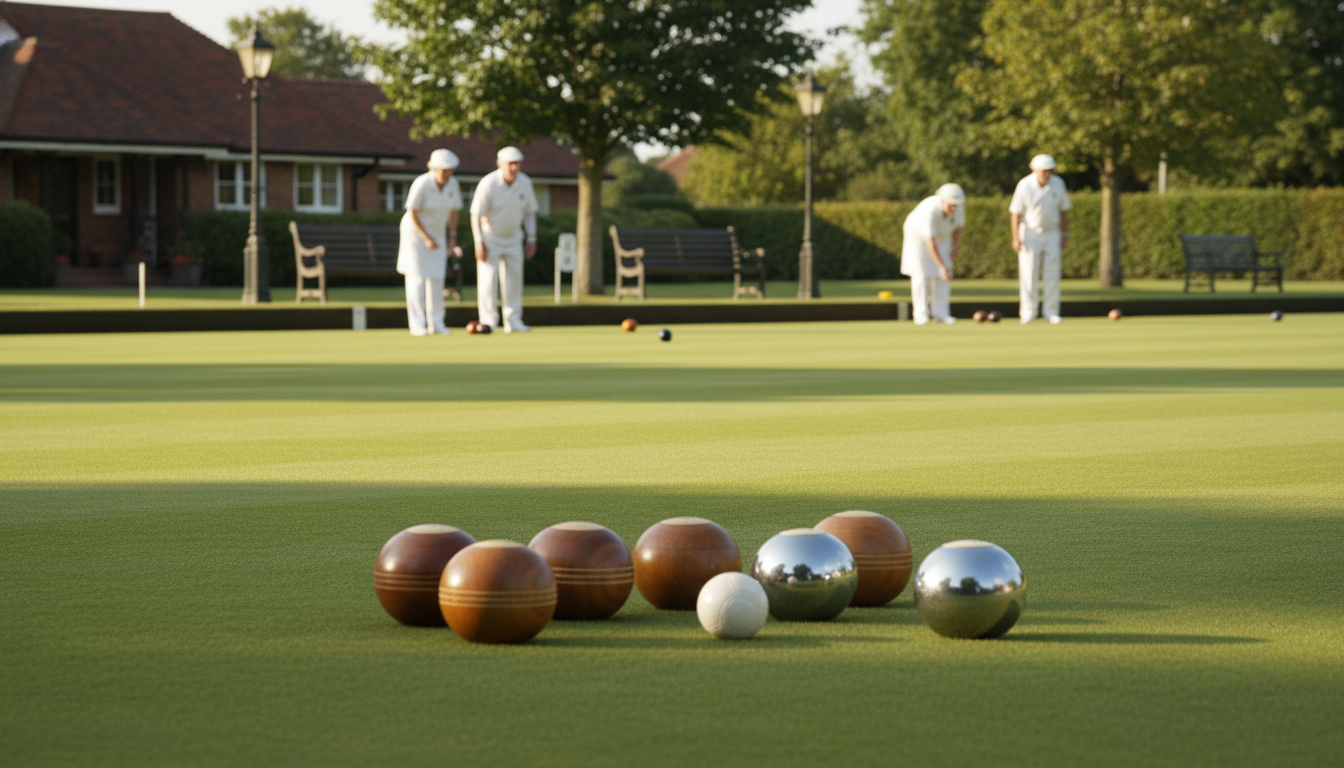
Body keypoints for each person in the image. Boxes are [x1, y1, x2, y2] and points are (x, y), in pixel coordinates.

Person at [471, 146, 539, 333]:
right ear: (500, 164)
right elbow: (475, 214)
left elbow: (530, 213)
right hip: (490, 239)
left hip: (514, 239)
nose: (514, 168)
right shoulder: (488, 183)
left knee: (514, 280)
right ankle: (488, 320)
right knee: (488, 280)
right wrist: (478, 241)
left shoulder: (525, 183)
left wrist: (532, 239)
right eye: (510, 164)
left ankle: (513, 320)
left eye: (517, 164)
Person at [396, 148, 462, 336]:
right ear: (433, 169)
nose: (447, 175)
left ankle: (437, 323)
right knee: (416, 277)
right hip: (415, 234)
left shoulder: (453, 184)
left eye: (450, 171)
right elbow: (412, 212)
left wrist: (452, 239)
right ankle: (417, 324)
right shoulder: (422, 183)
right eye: (443, 171)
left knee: (437, 277)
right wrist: (426, 238)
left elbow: (454, 211)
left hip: (438, 233)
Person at [1010, 154, 1072, 324]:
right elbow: (1016, 213)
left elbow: (1064, 210)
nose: (1047, 174)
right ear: (1034, 169)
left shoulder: (1058, 183)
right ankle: (1028, 312)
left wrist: (1065, 234)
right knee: (1028, 273)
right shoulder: (1024, 185)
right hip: (1030, 234)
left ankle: (1051, 311)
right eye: (1043, 170)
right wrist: (1016, 237)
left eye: (1049, 170)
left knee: (1052, 274)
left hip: (1052, 233)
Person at [901, 183, 966, 325]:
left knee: (945, 275)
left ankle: (941, 313)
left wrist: (955, 246)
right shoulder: (929, 210)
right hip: (918, 238)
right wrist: (941, 266)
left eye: (956, 205)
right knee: (921, 274)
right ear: (942, 200)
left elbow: (958, 227)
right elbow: (930, 242)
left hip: (943, 236)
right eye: (950, 205)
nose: (953, 208)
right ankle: (921, 315)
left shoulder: (958, 206)